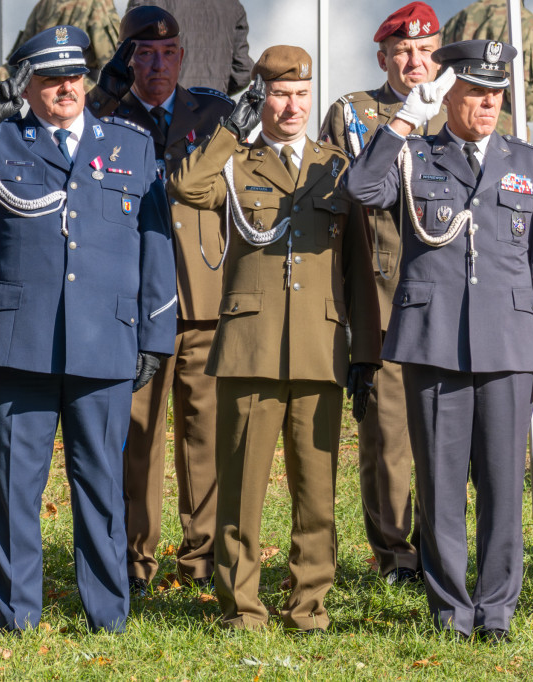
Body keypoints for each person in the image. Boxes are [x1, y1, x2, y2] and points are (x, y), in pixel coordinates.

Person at [0, 25, 177, 632]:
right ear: (28, 86)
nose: (66, 87)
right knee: (14, 489)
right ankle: (19, 614)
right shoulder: (2, 140)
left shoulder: (131, 147)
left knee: (101, 486)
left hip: (105, 340)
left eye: (74, 76)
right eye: (50, 78)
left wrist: (154, 335)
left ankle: (108, 613)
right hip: (19, 342)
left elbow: (156, 248)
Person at [170, 46, 381, 632]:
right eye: (281, 94)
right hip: (251, 342)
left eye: (302, 95)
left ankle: (308, 603)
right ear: (262, 97)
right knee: (240, 490)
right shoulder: (237, 163)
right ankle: (242, 605)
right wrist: (226, 134)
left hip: (319, 346)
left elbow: (358, 269)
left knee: (316, 493)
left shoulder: (336, 166)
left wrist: (364, 353)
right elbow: (186, 188)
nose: (293, 106)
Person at [346, 39, 533, 643]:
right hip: (433, 342)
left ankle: (497, 610)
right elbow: (361, 190)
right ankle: (452, 610)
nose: (487, 102)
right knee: (442, 486)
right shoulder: (414, 154)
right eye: (474, 90)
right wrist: (404, 118)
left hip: (508, 343)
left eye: (495, 91)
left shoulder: (526, 163)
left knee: (504, 488)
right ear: (446, 93)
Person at [87, 5, 234, 596]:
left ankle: (200, 558)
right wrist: (104, 94)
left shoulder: (214, 114)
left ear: (182, 58)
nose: (157, 65)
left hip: (200, 299)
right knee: (135, 438)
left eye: (168, 54)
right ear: (127, 59)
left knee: (205, 437)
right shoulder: (106, 114)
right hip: (129, 303)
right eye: (143, 54)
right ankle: (134, 560)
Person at [319, 1, 444, 587]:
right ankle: (395, 555)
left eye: (425, 50)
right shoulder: (354, 113)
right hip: (382, 295)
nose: (416, 61)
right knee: (387, 434)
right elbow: (338, 208)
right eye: (403, 51)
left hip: (449, 296)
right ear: (384, 57)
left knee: (445, 430)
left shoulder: (458, 112)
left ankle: (442, 544)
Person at [0, 0, 119, 92]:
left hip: (48, 93)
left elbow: (16, 66)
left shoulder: (44, 4)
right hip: (79, 95)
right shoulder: (96, 3)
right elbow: (115, 66)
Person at [441, 0, 533, 131]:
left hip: (454, 131)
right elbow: (527, 103)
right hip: (503, 132)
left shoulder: (458, 19)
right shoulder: (526, 23)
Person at [124, 0, 252, 97]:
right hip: (211, 115)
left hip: (159, 114)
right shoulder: (232, 5)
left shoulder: (145, 2)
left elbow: (124, 60)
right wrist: (214, 92)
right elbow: (243, 71)